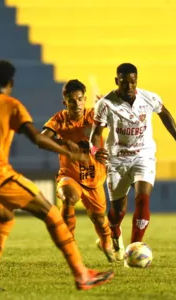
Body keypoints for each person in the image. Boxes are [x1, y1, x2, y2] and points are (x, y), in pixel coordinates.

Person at [0, 60, 114, 291]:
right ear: (10, 83)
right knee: (52, 213)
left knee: (5, 219)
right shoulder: (10, 104)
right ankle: (82, 274)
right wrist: (67, 150)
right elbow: (37, 138)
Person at [90, 63, 176, 261]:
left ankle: (134, 248)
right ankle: (115, 233)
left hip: (143, 156)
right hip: (117, 160)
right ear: (116, 81)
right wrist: (95, 151)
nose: (129, 86)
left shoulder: (149, 98)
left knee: (143, 199)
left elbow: (165, 114)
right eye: (124, 82)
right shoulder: (105, 104)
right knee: (117, 212)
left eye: (133, 81)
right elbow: (96, 134)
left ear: (137, 80)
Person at [41, 79, 115, 263]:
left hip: (94, 178)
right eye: (72, 101)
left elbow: (119, 121)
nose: (77, 104)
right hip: (70, 175)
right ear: (64, 102)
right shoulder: (59, 120)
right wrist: (63, 143)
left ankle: (106, 241)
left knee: (99, 219)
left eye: (80, 99)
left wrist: (109, 106)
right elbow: (41, 139)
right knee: (68, 197)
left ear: (85, 99)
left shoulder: (94, 115)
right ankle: (70, 246)